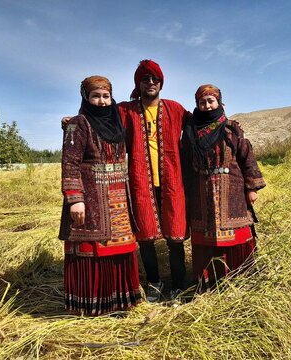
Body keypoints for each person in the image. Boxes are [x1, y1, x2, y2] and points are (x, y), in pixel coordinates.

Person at [59, 75, 141, 315]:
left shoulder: (116, 123)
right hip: (91, 197)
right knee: (93, 250)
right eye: (96, 96)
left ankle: (120, 302)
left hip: (118, 196)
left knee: (121, 248)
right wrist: (75, 199)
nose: (102, 101)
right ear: (86, 97)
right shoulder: (78, 124)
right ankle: (94, 305)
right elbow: (70, 164)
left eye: (106, 96)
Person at [118, 60, 192, 301]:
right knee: (146, 236)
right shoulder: (126, 110)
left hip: (172, 181)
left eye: (155, 79)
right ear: (138, 84)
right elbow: (100, 116)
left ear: (161, 83)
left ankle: (179, 285)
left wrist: (228, 122)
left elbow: (203, 121)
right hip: (141, 182)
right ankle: (154, 283)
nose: (150, 83)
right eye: (145, 79)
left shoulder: (175, 109)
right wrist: (75, 120)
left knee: (175, 236)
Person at [182, 84, 266, 290]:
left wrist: (251, 188)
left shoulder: (231, 128)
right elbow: (185, 162)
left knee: (237, 234)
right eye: (202, 102)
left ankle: (241, 279)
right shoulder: (191, 132)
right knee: (206, 235)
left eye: (211, 101)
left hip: (233, 189)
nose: (207, 106)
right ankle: (210, 281)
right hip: (202, 191)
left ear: (219, 102)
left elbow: (246, 156)